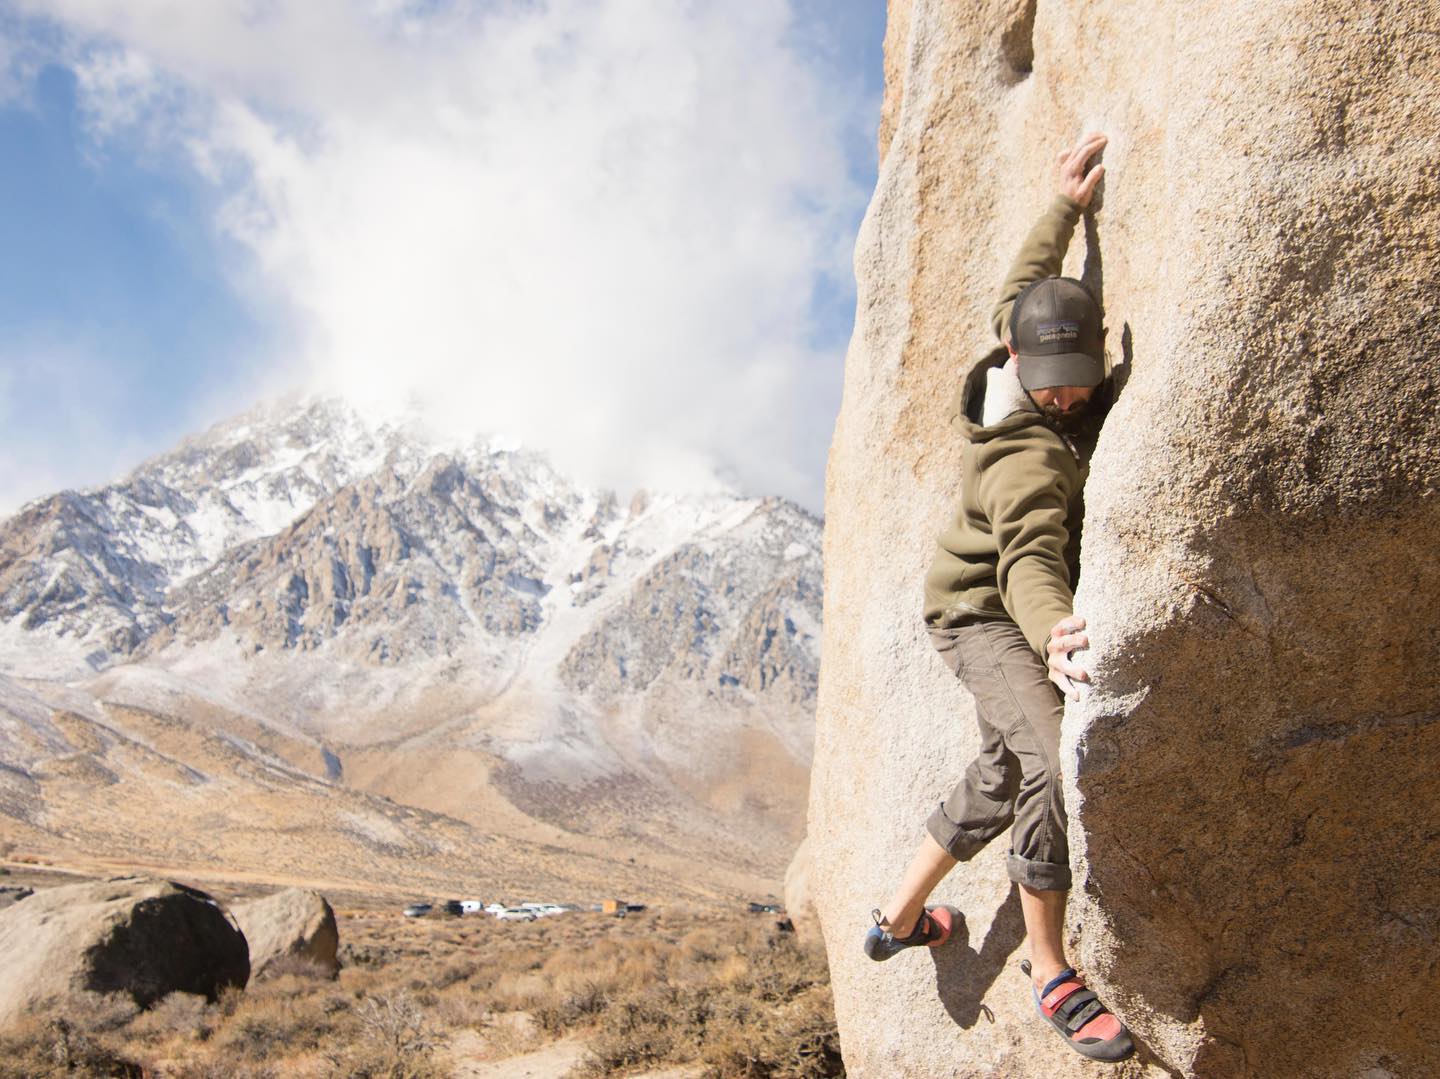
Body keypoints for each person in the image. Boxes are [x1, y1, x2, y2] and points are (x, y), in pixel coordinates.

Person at [862, 131, 1135, 1064]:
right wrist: (1053, 629)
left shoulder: (1014, 336)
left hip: (977, 599)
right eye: (1057, 393)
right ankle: (1052, 970)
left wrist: (1066, 206)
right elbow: (1026, 557)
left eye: (1079, 388)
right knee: (1050, 758)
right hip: (985, 613)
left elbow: (1025, 279)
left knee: (1001, 768)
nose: (1068, 404)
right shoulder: (1022, 454)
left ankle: (899, 916)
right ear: (1020, 365)